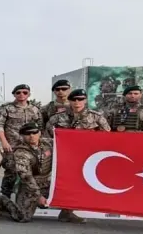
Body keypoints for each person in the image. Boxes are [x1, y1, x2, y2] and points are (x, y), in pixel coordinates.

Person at [44, 88, 110, 223]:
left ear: (85, 100)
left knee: (83, 182)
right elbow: (47, 138)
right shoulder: (57, 118)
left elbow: (108, 137)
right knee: (65, 182)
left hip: (88, 157)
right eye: (74, 100)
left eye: (80, 99)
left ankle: (75, 208)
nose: (77, 102)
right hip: (64, 157)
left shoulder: (96, 117)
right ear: (69, 101)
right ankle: (65, 211)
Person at [0, 84, 43, 203]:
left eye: (25, 92)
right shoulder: (6, 109)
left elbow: (40, 128)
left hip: (29, 147)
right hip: (12, 146)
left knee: (30, 171)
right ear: (14, 94)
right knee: (11, 171)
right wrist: (4, 142)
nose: (22, 95)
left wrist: (37, 143)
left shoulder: (35, 110)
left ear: (29, 94)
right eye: (18, 92)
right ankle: (5, 197)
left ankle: (28, 197)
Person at [0, 122, 53, 223]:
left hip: (49, 184)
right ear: (22, 136)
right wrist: (39, 196)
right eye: (27, 134)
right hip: (30, 186)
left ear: (39, 133)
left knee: (68, 190)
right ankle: (4, 200)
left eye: (34, 133)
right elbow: (26, 178)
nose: (32, 136)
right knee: (22, 217)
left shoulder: (49, 143)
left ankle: (67, 214)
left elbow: (67, 144)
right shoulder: (20, 153)